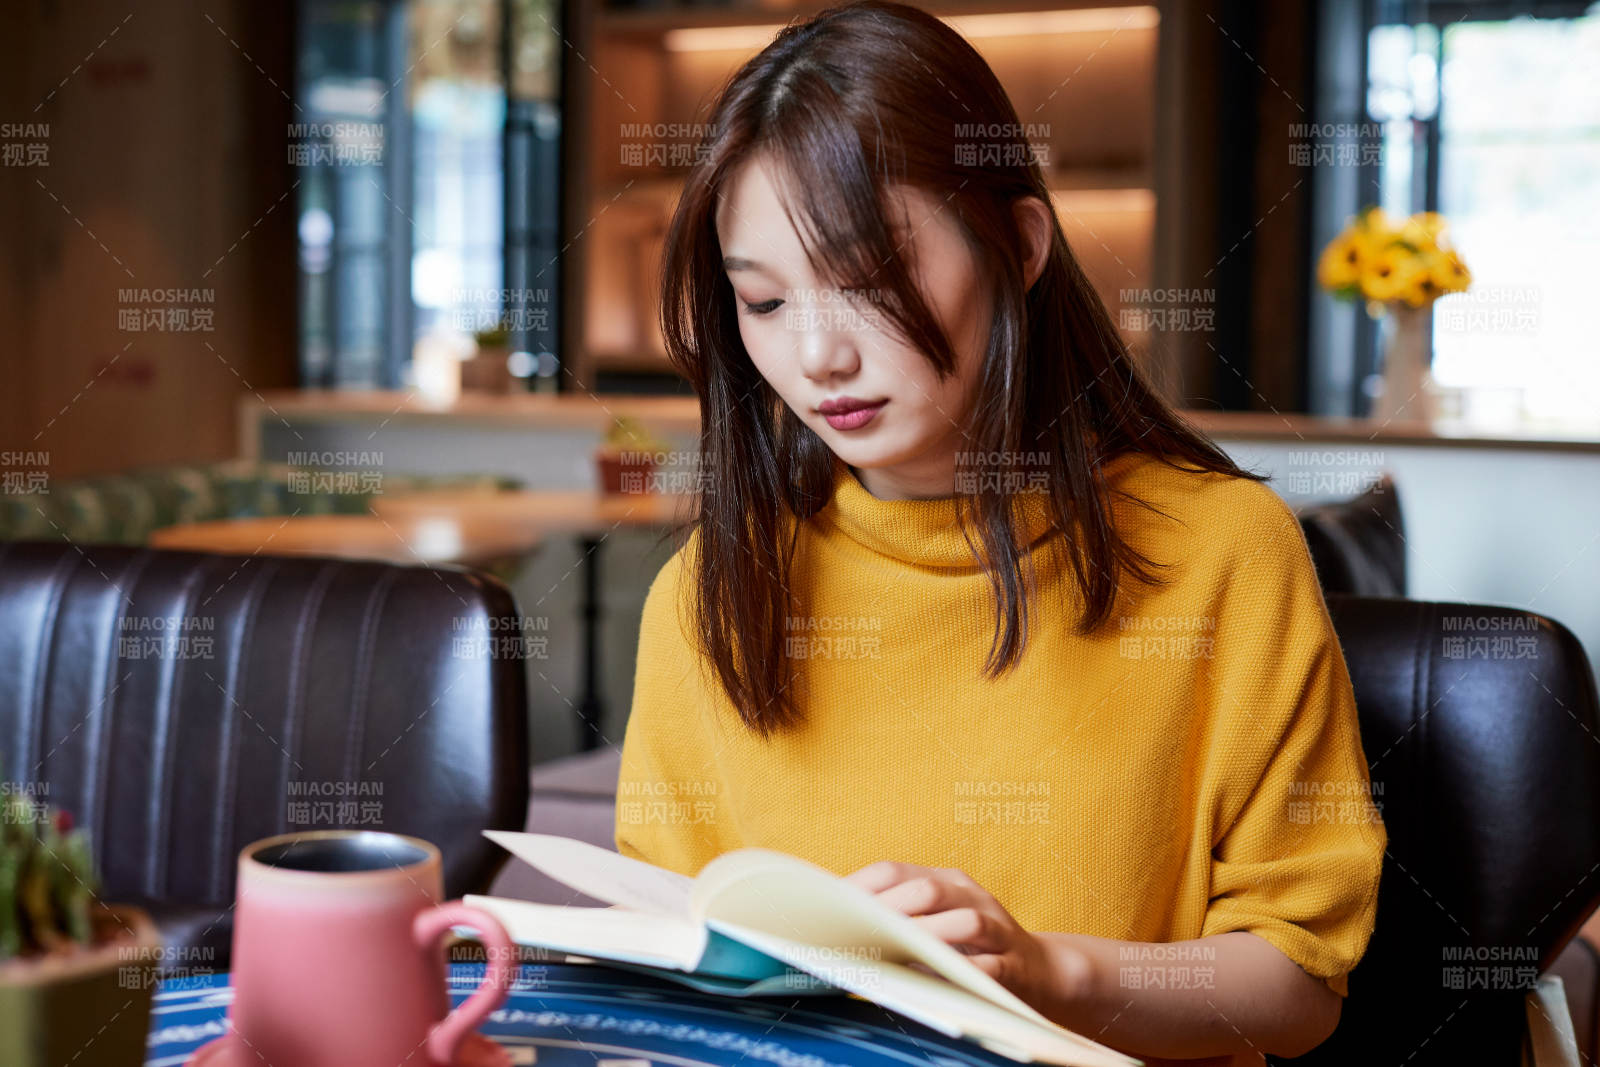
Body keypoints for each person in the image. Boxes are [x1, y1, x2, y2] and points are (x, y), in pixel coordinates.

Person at [614, 3, 1385, 1063]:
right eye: (764, 300)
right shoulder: (713, 588)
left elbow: (1297, 981)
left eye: (866, 277)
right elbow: (669, 978)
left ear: (1017, 244)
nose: (817, 356)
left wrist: (1045, 972)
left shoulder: (1220, 552)